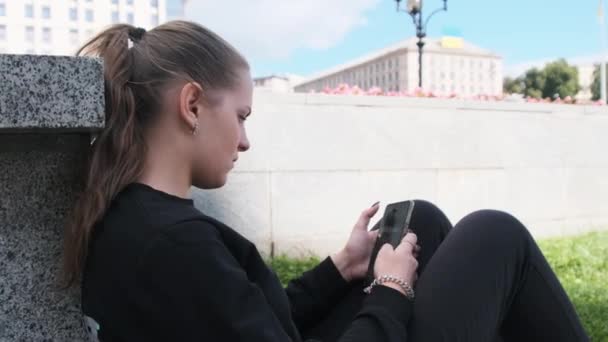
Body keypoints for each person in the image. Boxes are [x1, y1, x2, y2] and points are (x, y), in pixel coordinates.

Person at [62, 21, 589, 342]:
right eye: (242, 116)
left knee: (418, 220)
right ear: (192, 104)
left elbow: (245, 318)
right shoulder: (176, 246)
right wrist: (390, 289)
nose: (244, 141)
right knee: (495, 235)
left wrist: (343, 268)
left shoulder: (133, 218)